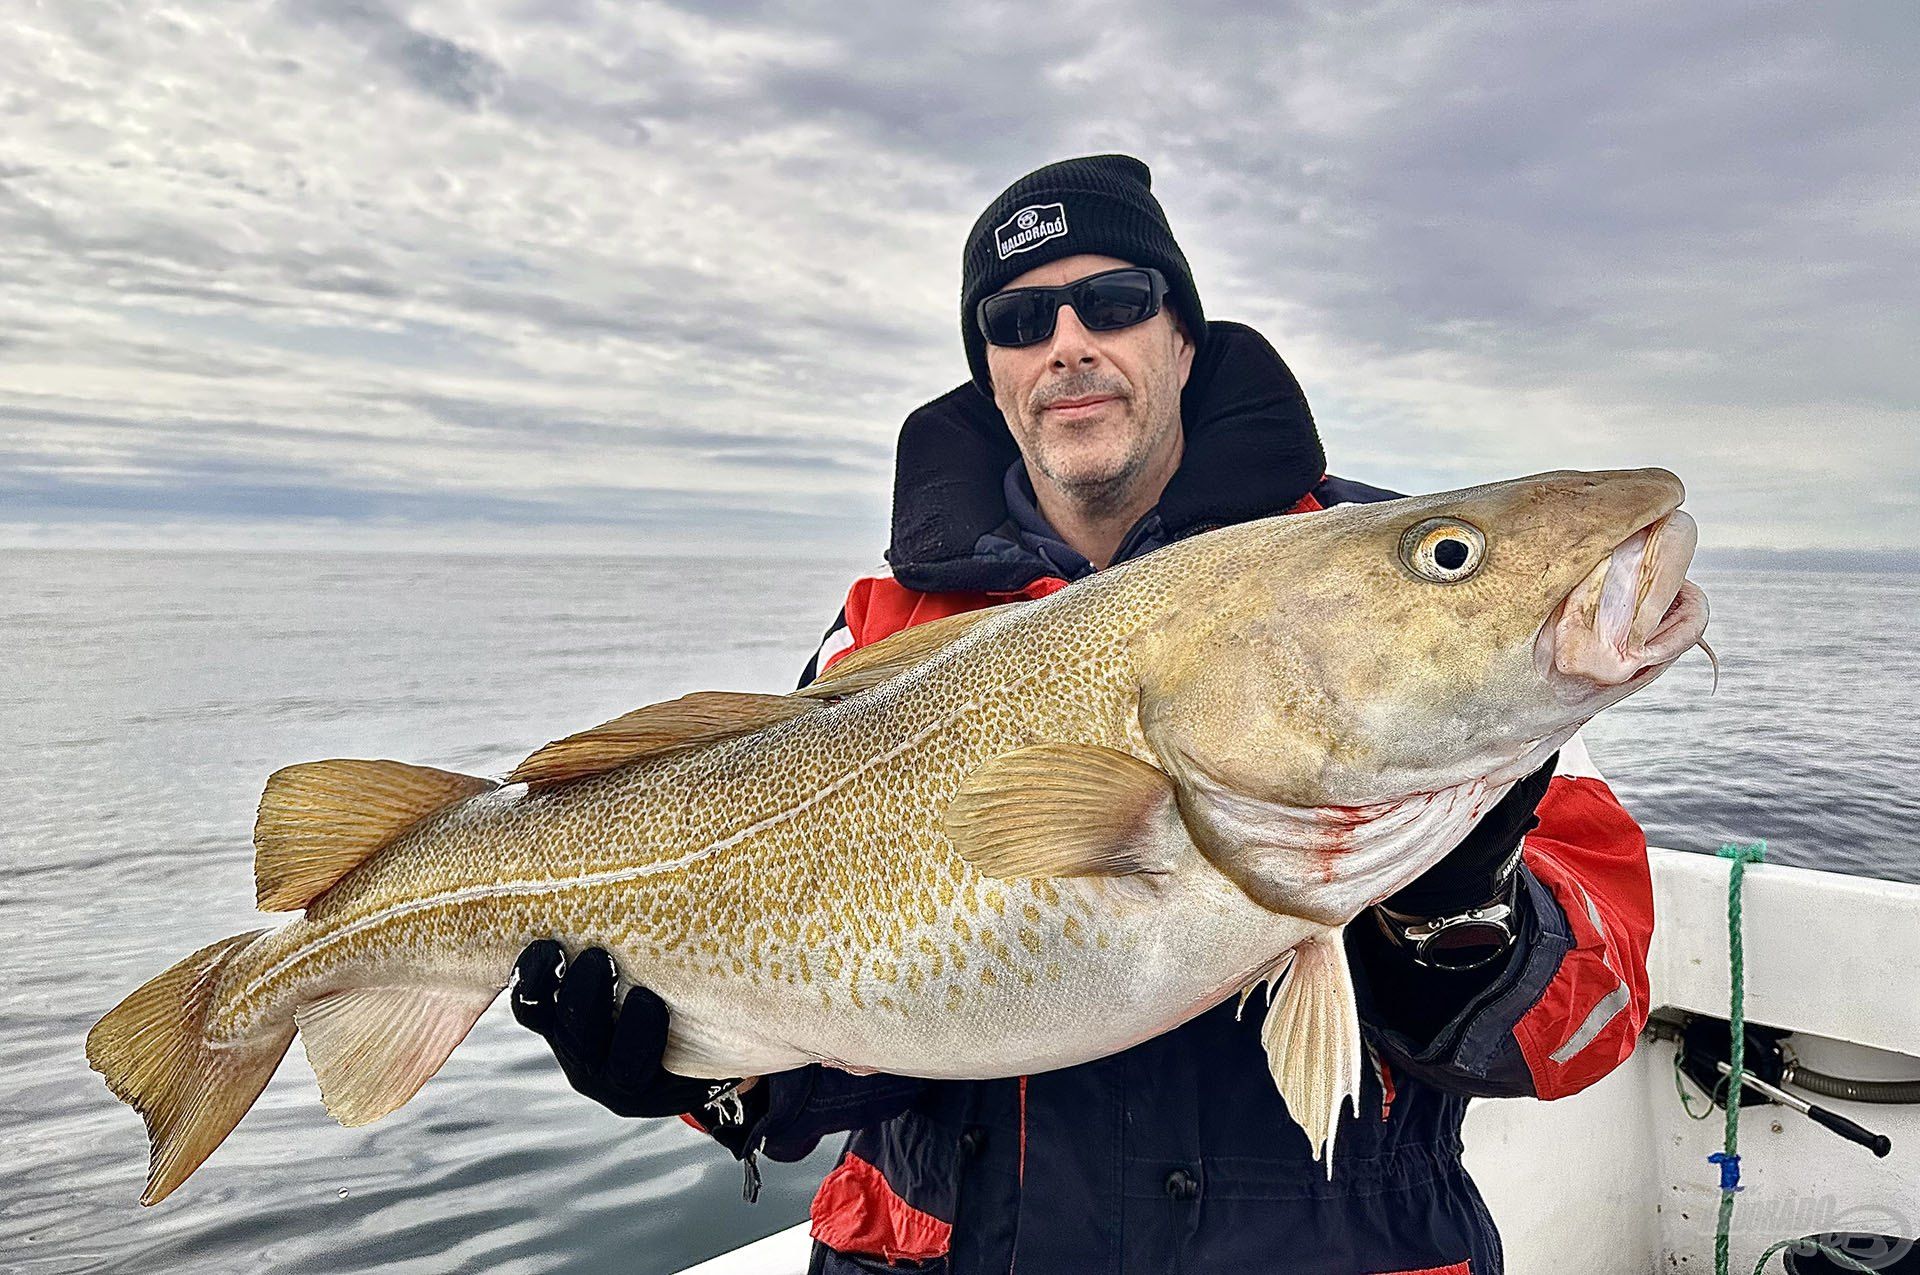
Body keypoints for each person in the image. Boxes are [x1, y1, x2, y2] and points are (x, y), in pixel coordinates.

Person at [511, 155, 1656, 1274]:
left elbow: (1585, 1021)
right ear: (993, 374)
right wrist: (712, 1077)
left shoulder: (1394, 607)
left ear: (1182, 336)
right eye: (1018, 321)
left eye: (1114, 301)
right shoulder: (891, 628)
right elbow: (852, 996)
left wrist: (1460, 913)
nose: (1068, 344)